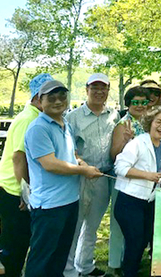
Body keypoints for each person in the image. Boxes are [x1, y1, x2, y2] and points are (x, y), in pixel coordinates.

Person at [24, 80, 103, 277]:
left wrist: (81, 162)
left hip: (70, 201)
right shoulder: (38, 129)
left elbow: (71, 154)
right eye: (51, 97)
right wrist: (83, 172)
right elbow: (50, 164)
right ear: (39, 101)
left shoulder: (65, 123)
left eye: (62, 96)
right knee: (41, 259)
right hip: (49, 206)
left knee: (59, 256)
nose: (58, 101)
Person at [65, 73, 120, 277]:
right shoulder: (73, 117)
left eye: (103, 88)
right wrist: (82, 165)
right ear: (86, 89)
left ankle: (85, 266)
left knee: (93, 225)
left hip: (103, 177)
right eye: (94, 87)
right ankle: (68, 270)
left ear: (108, 90)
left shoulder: (114, 115)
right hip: (80, 176)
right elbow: (68, 148)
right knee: (76, 224)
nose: (99, 92)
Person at [0, 73, 52, 277]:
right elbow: (18, 158)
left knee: (18, 242)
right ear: (38, 98)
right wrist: (26, 192)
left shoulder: (34, 116)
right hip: (14, 191)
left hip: (16, 189)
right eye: (49, 95)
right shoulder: (29, 119)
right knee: (14, 245)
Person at [113, 106, 161, 277]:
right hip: (129, 201)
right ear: (150, 123)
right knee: (135, 241)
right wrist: (148, 176)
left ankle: (131, 271)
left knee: (143, 241)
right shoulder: (137, 143)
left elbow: (159, 176)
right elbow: (120, 167)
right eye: (158, 122)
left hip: (149, 202)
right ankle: (129, 272)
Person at [108, 85, 150, 273]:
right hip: (126, 182)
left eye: (144, 102)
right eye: (136, 102)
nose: (140, 106)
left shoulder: (149, 124)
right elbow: (113, 155)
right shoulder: (123, 125)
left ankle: (131, 259)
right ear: (128, 104)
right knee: (120, 227)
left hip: (145, 183)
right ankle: (116, 263)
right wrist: (125, 142)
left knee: (138, 227)